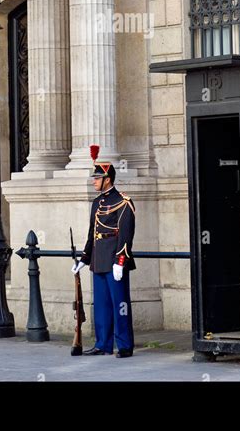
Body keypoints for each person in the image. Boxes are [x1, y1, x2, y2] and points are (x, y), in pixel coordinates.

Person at [72, 145, 135, 358]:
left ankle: (124, 345)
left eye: (97, 178)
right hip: (98, 260)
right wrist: (84, 258)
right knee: (101, 306)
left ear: (107, 179)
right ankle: (103, 344)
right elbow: (92, 234)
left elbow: (125, 235)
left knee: (120, 305)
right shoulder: (97, 202)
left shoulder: (124, 202)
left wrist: (120, 261)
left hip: (114, 261)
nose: (94, 181)